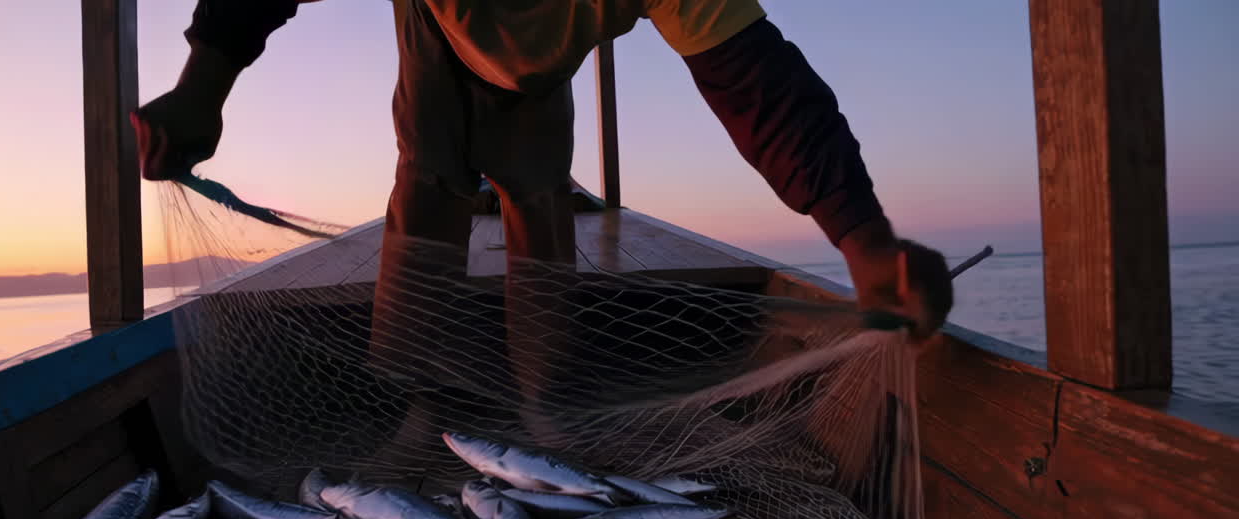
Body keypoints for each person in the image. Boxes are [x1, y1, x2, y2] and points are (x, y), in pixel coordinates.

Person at [134, 0, 953, 337]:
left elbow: (760, 87)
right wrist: (200, 92)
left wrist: (863, 242)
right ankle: (424, 407)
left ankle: (545, 405)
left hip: (544, 60)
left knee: (537, 193)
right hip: (439, 23)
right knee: (430, 182)